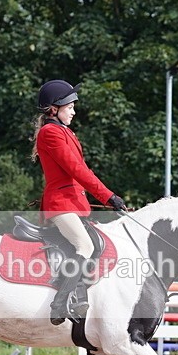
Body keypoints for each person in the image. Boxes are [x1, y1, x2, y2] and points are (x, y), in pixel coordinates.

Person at [31, 79, 127, 325]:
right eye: (70, 107)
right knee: (84, 245)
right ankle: (60, 304)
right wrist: (108, 196)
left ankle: (80, 292)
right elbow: (77, 169)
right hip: (60, 203)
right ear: (54, 109)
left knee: (95, 243)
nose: (74, 112)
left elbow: (80, 171)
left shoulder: (64, 131)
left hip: (72, 203)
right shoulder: (51, 133)